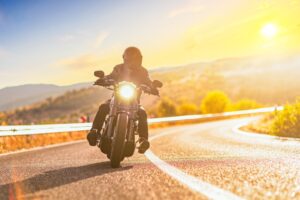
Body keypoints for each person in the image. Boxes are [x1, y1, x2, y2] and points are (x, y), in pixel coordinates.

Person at [87, 47, 156, 153]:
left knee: (142, 113)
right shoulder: (119, 68)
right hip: (117, 99)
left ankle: (143, 140)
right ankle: (94, 131)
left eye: (135, 59)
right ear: (126, 59)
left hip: (134, 102)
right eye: (131, 59)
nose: (133, 61)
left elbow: (148, 81)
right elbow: (112, 76)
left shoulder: (143, 71)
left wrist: (152, 87)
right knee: (104, 107)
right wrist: (104, 79)